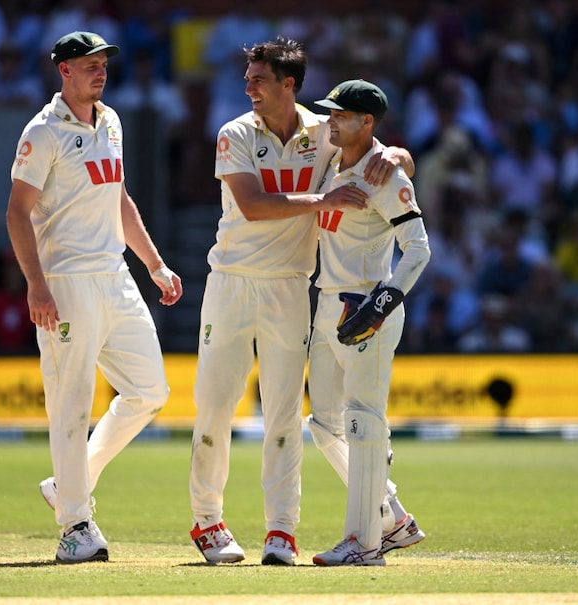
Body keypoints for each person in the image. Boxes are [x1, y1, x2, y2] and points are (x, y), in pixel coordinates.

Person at [188, 37, 418, 566]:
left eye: (259, 80)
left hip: (292, 285)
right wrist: (324, 198)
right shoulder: (236, 133)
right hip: (231, 280)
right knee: (216, 404)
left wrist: (397, 155)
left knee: (286, 413)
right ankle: (208, 521)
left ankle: (281, 530)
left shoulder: (324, 131)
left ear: (289, 85)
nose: (249, 88)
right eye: (247, 79)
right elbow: (250, 205)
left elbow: (377, 150)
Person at [5, 31, 183, 564]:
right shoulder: (43, 132)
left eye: (103, 63)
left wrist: (153, 263)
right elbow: (17, 211)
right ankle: (75, 525)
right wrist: (36, 284)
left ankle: (69, 481)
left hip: (114, 275)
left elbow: (119, 198)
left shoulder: (111, 120)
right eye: (88, 64)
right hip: (66, 281)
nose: (99, 71)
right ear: (63, 70)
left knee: (150, 390)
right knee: (71, 402)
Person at [306, 80, 431, 566]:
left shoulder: (387, 176)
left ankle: (364, 544)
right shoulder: (332, 158)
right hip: (326, 303)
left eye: (341, 115)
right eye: (330, 113)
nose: (330, 121)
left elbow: (418, 249)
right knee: (323, 426)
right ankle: (391, 517)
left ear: (367, 122)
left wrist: (382, 303)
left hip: (366, 308)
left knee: (362, 422)